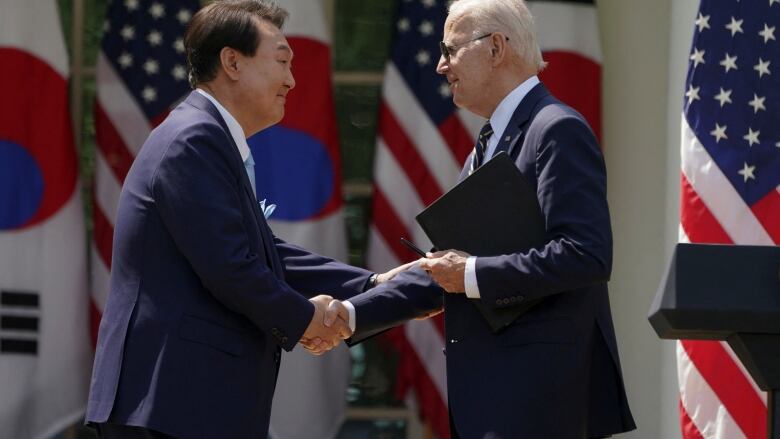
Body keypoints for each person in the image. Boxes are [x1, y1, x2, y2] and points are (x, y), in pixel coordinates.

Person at [84, 1, 415, 437]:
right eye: (281, 61)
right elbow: (231, 266)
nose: (292, 80)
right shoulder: (194, 139)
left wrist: (370, 285)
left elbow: (263, 252)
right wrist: (305, 319)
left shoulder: (206, 137)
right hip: (170, 401)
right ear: (232, 62)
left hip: (188, 402)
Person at [347, 0, 637, 437]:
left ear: (497, 47)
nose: (442, 66)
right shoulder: (489, 142)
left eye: (450, 49)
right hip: (495, 398)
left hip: (539, 400)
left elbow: (586, 254)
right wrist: (350, 315)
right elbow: (449, 272)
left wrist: (470, 272)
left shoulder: (556, 129)